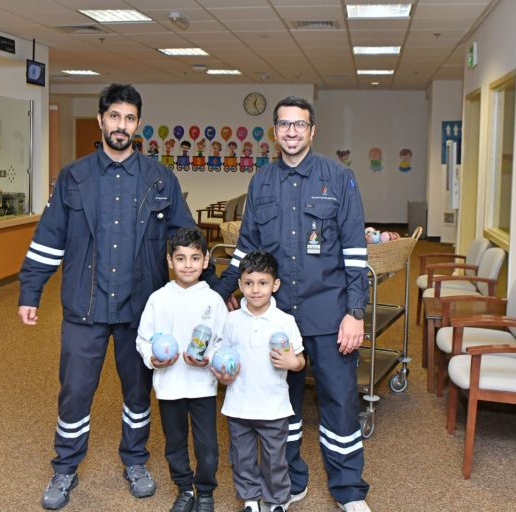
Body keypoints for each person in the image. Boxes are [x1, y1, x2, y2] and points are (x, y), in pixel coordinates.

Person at [17, 84, 217, 510]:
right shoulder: (74, 177)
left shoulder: (160, 178)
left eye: (129, 118)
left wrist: (214, 293)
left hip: (140, 309)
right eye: (114, 117)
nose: (121, 125)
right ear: (101, 120)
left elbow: (187, 238)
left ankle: (135, 460)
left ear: (137, 124)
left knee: (138, 392)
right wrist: (30, 290)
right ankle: (65, 467)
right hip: (84, 306)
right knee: (75, 391)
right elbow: (48, 239)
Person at [213, 96, 371, 512]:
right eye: (284, 124)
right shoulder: (261, 182)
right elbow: (246, 250)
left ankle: (349, 490)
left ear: (312, 130)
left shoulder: (339, 178)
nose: (292, 132)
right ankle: (290, 480)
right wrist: (218, 291)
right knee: (282, 405)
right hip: (277, 318)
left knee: (340, 402)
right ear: (275, 131)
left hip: (329, 313)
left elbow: (355, 253)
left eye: (300, 124)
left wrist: (355, 313)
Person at [136, 227, 228, 512]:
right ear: (169, 261)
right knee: (174, 443)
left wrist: (208, 358)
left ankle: (205, 491)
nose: (188, 265)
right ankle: (185, 488)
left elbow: (224, 342)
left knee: (207, 446)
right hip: (169, 386)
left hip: (202, 387)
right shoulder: (158, 299)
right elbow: (143, 339)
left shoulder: (213, 300)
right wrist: (153, 359)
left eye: (195, 258)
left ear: (205, 261)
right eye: (180, 258)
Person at [214, 250, 305, 512]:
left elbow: (300, 360)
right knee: (241, 457)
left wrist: (293, 363)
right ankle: (250, 499)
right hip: (238, 406)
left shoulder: (285, 321)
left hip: (273, 407)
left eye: (263, 283)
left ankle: (276, 500)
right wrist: (222, 374)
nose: (255, 290)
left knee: (274, 459)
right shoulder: (231, 320)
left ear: (275, 285)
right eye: (249, 283)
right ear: (240, 284)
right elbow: (222, 356)